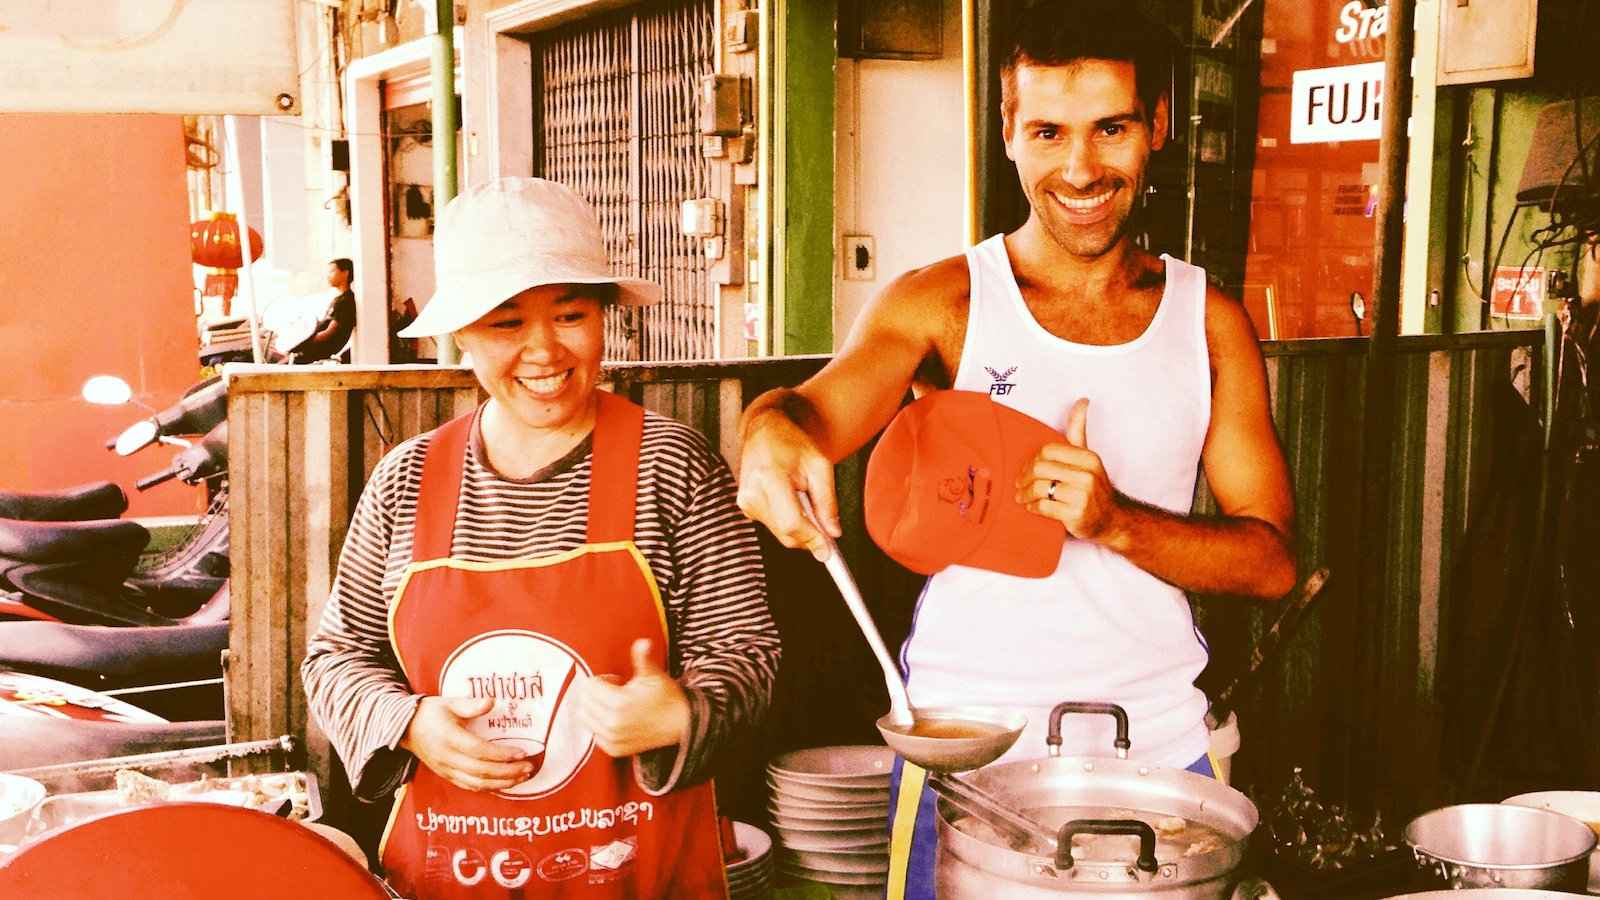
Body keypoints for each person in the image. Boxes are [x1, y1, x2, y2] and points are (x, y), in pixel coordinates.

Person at [734, 2, 1295, 895]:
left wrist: (1114, 521)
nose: (1080, 168)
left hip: (1156, 754)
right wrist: (769, 438)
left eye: (1110, 128)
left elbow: (1271, 564)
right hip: (966, 752)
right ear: (1009, 133)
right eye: (1048, 131)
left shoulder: (1211, 322)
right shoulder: (942, 302)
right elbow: (803, 411)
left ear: (1157, 126)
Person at [302, 177, 780, 898]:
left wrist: (682, 709)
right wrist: (409, 723)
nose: (543, 351)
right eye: (504, 323)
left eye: (569, 314)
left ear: (604, 317)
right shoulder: (405, 481)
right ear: (459, 335)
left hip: (639, 875)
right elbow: (336, 659)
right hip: (448, 874)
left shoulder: (672, 465)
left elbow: (748, 653)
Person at [288, 258, 357, 363]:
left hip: (316, 352)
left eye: (332, 271)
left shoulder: (346, 301)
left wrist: (303, 343)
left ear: (345, 273)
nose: (328, 276)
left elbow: (329, 333)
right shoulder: (338, 299)